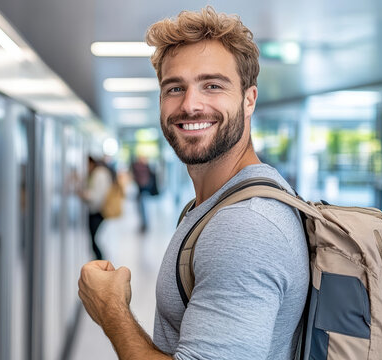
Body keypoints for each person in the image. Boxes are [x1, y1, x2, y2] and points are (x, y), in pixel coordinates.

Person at [78, 7, 309, 360]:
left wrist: (111, 310)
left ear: (249, 99)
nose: (190, 105)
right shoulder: (215, 205)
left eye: (212, 85)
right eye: (175, 88)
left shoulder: (244, 227)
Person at [82, 156, 113, 260]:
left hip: (98, 211)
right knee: (92, 238)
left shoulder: (100, 174)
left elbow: (98, 196)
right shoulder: (94, 174)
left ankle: (100, 261)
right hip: (94, 211)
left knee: (94, 238)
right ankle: (98, 261)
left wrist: (84, 194)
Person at [130, 155, 154, 233]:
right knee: (143, 208)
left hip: (141, 190)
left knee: (142, 208)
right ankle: (144, 224)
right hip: (143, 190)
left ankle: (144, 224)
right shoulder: (145, 167)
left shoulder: (137, 167)